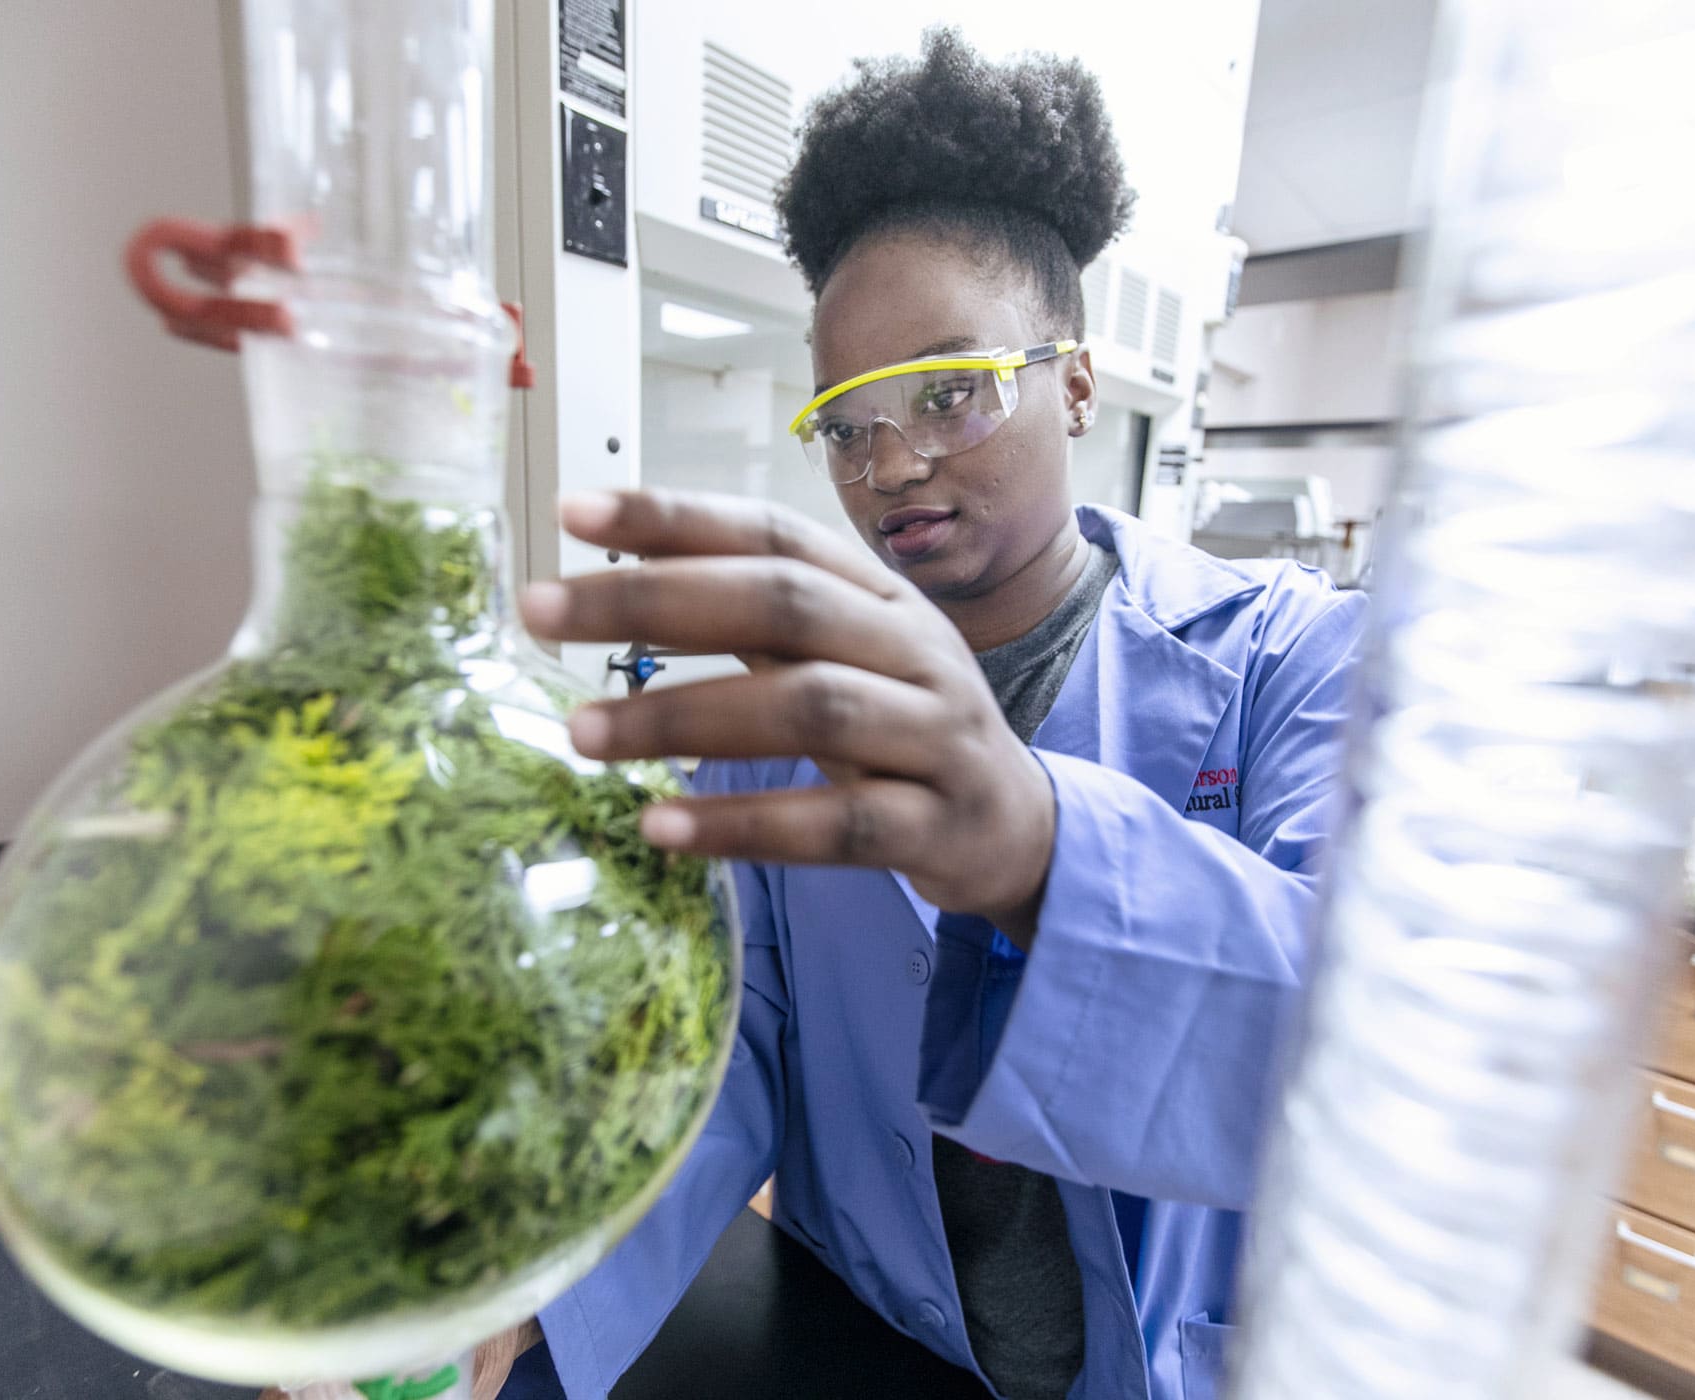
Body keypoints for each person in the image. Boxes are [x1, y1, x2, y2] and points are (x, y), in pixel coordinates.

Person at [181, 30, 1366, 1400]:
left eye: (952, 393)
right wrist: (516, 1276)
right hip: (879, 1346)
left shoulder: (1295, 656)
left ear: (1077, 381)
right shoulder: (797, 718)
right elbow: (724, 1046)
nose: (895, 462)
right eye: (848, 424)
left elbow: (1365, 1053)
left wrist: (1044, 854)